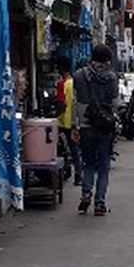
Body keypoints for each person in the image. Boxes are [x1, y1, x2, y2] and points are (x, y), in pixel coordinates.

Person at [72, 45, 119, 216]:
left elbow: (74, 102)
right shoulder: (111, 78)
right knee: (104, 165)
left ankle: (85, 193)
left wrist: (74, 125)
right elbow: (116, 104)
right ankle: (99, 203)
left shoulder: (78, 75)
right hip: (105, 126)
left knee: (88, 163)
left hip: (85, 125)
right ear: (107, 60)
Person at [55, 57, 81, 185]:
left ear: (60, 69)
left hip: (63, 122)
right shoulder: (74, 82)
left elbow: (61, 104)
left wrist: (53, 115)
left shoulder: (62, 84)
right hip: (74, 122)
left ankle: (64, 171)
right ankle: (78, 175)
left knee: (59, 148)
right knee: (75, 149)